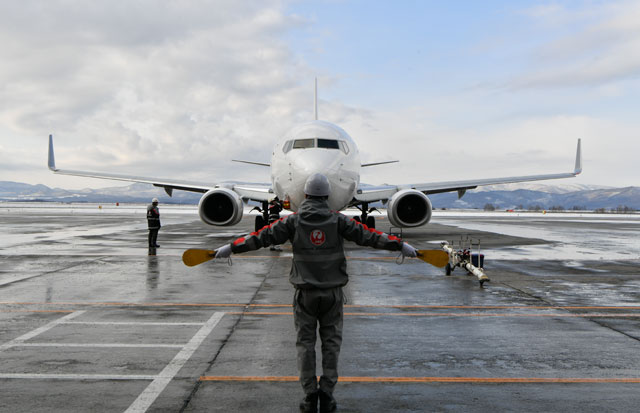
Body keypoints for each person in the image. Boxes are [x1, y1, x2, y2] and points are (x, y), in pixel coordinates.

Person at [214, 173, 417, 413]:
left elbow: (260, 237)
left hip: (305, 295)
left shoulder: (293, 222)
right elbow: (370, 237)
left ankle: (310, 396)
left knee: (305, 346)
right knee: (331, 345)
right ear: (327, 195)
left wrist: (231, 248)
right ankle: (328, 396)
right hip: (332, 295)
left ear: (306, 194)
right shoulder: (339, 221)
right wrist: (400, 244)